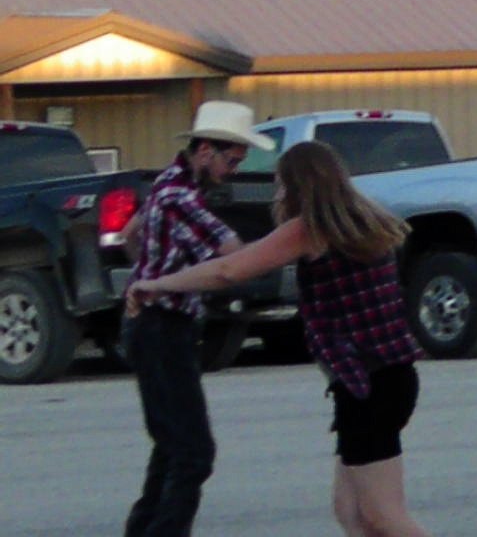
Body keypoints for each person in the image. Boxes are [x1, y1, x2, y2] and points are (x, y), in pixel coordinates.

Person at [128, 140, 431, 537]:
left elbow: (229, 271)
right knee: (352, 513)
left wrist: (159, 283)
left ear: (298, 184)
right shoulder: (362, 217)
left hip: (369, 387)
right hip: (388, 379)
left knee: (383, 515)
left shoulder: (310, 228)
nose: (278, 193)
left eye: (281, 184)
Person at [120, 100, 276, 537]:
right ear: (205, 150)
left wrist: (148, 274)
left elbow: (131, 235)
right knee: (195, 453)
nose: (234, 169)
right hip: (163, 329)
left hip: (152, 324)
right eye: (231, 159)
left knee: (171, 448)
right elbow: (234, 258)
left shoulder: (165, 184)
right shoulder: (181, 198)